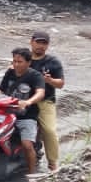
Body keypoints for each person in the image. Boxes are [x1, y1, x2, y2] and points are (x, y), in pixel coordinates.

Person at [0, 47, 47, 175]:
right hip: (7, 113)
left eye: (19, 62)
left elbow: (40, 93)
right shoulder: (10, 72)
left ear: (28, 62)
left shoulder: (35, 76)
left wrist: (28, 102)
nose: (16, 64)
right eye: (14, 61)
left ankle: (32, 175)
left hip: (26, 116)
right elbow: (1, 90)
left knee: (27, 145)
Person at [28, 29, 66, 172]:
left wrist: (49, 80)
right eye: (38, 42)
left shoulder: (53, 62)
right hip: (24, 100)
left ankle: (52, 163)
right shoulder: (24, 58)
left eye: (44, 43)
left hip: (45, 102)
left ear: (48, 45)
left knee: (49, 130)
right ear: (31, 42)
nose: (40, 46)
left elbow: (61, 84)